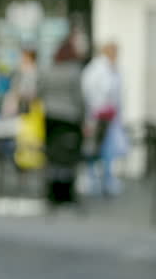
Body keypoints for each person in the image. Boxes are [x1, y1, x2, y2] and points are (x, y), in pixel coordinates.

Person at [37, 34, 86, 205]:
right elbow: (79, 98)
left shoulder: (49, 69)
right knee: (68, 156)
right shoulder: (75, 71)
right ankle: (66, 193)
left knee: (52, 155)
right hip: (70, 118)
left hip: (50, 117)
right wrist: (84, 117)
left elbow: (39, 90)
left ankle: (52, 192)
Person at [81, 41, 128, 196]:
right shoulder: (96, 69)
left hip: (110, 117)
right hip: (97, 116)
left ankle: (106, 181)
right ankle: (92, 180)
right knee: (94, 148)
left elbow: (117, 95)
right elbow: (90, 92)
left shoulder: (113, 69)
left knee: (107, 150)